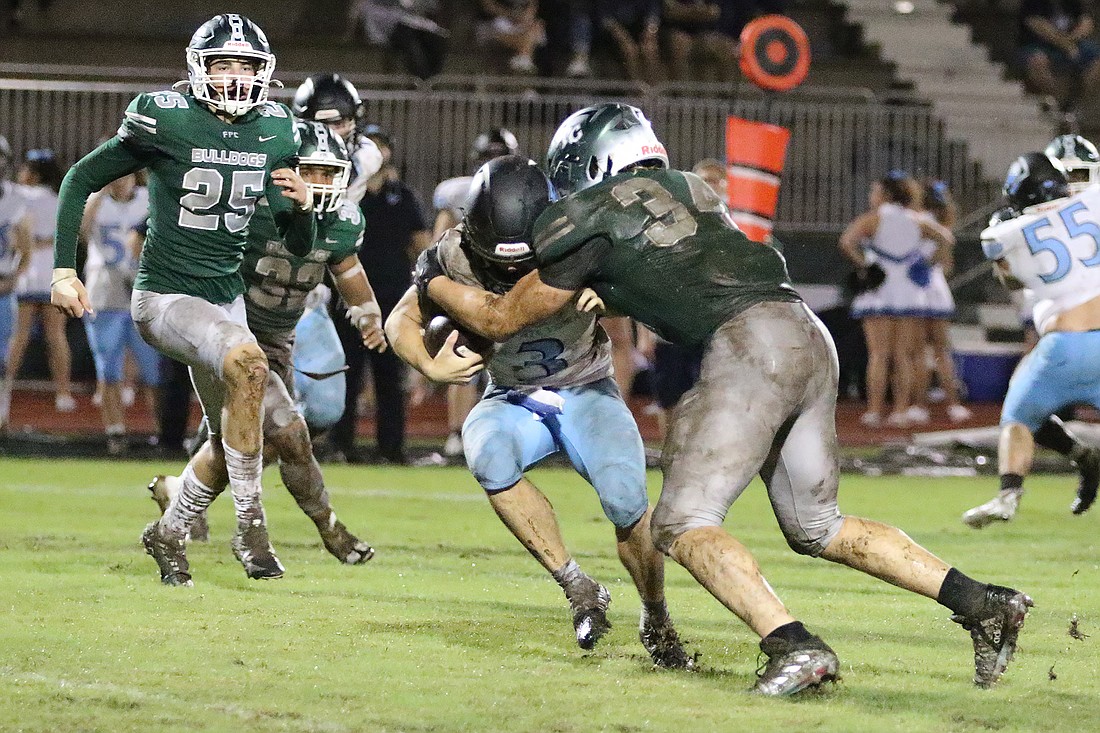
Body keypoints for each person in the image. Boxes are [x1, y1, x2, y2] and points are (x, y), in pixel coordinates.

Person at [419, 102, 1033, 694]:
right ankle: (983, 602)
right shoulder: (693, 187)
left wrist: (433, 278)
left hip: (747, 346)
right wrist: (612, 291)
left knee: (682, 523)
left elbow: (501, 318)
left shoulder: (583, 219)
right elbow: (680, 264)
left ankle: (793, 645)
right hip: (805, 331)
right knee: (819, 527)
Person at [386, 155, 692, 667]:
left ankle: (655, 614)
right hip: (511, 395)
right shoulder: (453, 254)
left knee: (625, 498)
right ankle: (578, 587)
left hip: (587, 388)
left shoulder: (578, 236)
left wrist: (617, 298)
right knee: (486, 453)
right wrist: (428, 365)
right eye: (498, 259)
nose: (510, 270)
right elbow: (402, 317)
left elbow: (652, 290)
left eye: (520, 259)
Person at [50, 13, 316, 586]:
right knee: (249, 363)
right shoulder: (165, 116)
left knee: (231, 442)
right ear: (199, 68)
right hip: (166, 298)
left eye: (245, 65)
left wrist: (304, 209)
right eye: (223, 63)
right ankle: (252, 530)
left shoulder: (275, 128)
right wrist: (63, 270)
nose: (235, 76)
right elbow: (79, 178)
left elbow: (296, 242)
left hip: (226, 303)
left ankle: (168, 534)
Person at [149, 121, 383, 565]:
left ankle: (174, 503)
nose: (319, 184)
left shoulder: (343, 221)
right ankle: (328, 530)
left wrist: (369, 316)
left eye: (329, 173)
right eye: (309, 172)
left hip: (278, 342)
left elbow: (349, 272)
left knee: (255, 443)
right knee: (289, 434)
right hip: (230, 337)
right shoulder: (252, 210)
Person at [962, 152, 1100, 528]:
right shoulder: (1093, 200)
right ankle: (1083, 458)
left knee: (1019, 416)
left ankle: (1008, 495)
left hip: (1065, 344)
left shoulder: (1004, 233)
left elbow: (1012, 280)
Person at [327, 125, 430, 463]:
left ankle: (392, 447)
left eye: (384, 145)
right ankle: (340, 445)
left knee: (390, 377)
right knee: (346, 373)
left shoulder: (403, 195)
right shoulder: (344, 192)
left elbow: (420, 243)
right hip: (348, 296)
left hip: (391, 297)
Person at [839, 170, 955, 428]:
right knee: (903, 355)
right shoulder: (917, 220)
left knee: (879, 355)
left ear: (886, 194)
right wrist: (926, 263)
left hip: (879, 290)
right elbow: (946, 239)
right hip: (908, 292)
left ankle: (874, 411)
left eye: (875, 191)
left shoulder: (873, 220)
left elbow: (846, 241)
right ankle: (901, 410)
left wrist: (866, 265)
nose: (872, 195)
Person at [432, 128, 519, 458]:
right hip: (470, 286)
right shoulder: (458, 193)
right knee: (464, 360)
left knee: (511, 367)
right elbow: (438, 245)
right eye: (488, 157)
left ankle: (507, 438)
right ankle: (457, 433)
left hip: (510, 290)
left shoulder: (525, 190)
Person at [78, 171, 160, 454]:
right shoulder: (97, 201)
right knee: (108, 369)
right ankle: (115, 431)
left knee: (154, 372)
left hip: (143, 290)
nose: (120, 179)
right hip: (104, 292)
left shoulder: (149, 199)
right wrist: (98, 192)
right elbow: (81, 233)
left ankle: (160, 432)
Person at [4, 148, 74, 421]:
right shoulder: (62, 196)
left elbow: (18, 233)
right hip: (55, 269)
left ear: (32, 174)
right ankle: (64, 393)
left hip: (26, 269)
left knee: (17, 336)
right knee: (56, 336)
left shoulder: (23, 196)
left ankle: (6, 389)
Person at [907, 180, 972, 425]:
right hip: (939, 291)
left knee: (919, 353)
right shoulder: (942, 223)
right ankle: (954, 406)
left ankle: (920, 406)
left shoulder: (915, 220)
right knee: (941, 353)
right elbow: (948, 266)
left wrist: (922, 264)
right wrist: (932, 263)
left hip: (917, 292)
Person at [290, 73, 384, 205]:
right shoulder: (285, 149)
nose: (328, 133)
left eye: (338, 124)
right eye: (322, 125)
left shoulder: (366, 154)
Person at [1017, 0, 1100, 122]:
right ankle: (1055, 103)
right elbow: (1036, 23)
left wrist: (1073, 38)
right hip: (1040, 44)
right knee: (1038, 61)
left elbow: (1086, 21)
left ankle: (1076, 105)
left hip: (1073, 42)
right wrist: (1064, 43)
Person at [0, 135, 32, 419]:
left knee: (2, 360)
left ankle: (1, 414)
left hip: (2, 286)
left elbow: (26, 248)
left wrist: (13, 278)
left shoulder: (15, 199)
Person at [596, 0, 662, 84]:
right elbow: (604, 16)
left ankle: (654, 90)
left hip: (640, 28)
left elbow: (653, 11)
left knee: (650, 49)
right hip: (612, 33)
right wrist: (619, 34)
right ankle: (638, 90)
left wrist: (650, 30)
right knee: (630, 50)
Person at [477, 0, 546, 74]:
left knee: (537, 26)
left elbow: (532, 5)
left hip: (520, 22)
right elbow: (488, 6)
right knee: (529, 35)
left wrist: (526, 17)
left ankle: (523, 57)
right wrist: (511, 15)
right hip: (497, 22)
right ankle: (525, 57)